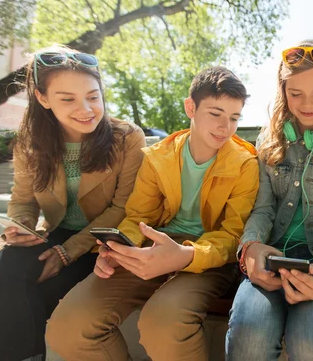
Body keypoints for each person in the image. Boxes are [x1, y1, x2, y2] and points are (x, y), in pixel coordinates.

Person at [45, 66, 259, 361]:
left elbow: (234, 235)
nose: (225, 127)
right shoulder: (158, 157)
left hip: (209, 256)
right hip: (152, 246)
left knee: (163, 321)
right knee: (68, 327)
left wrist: (186, 255)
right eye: (216, 113)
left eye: (234, 118)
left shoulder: (246, 164)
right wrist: (120, 247)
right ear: (190, 107)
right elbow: (137, 218)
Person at [0, 45, 145, 361]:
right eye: (67, 99)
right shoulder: (30, 141)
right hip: (54, 234)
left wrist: (68, 252)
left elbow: (122, 208)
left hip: (101, 242)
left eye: (93, 97)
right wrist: (20, 227)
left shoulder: (127, 137)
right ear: (42, 98)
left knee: (42, 290)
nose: (86, 109)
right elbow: (22, 200)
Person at [225, 40, 313, 361]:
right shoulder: (268, 141)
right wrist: (250, 247)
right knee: (249, 341)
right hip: (271, 258)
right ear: (283, 91)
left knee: (312, 346)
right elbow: (263, 207)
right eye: (295, 93)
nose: (307, 104)